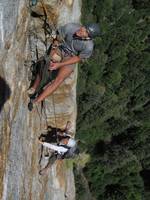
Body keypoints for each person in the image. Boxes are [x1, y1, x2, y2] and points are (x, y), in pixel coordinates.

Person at [28, 23, 100, 104]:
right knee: (46, 63)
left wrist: (59, 65)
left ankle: (36, 100)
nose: (82, 30)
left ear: (88, 38)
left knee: (59, 80)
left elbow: (78, 58)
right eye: (84, 27)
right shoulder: (70, 27)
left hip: (71, 57)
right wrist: (51, 54)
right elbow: (57, 40)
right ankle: (34, 88)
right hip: (60, 49)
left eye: (86, 32)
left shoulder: (88, 46)